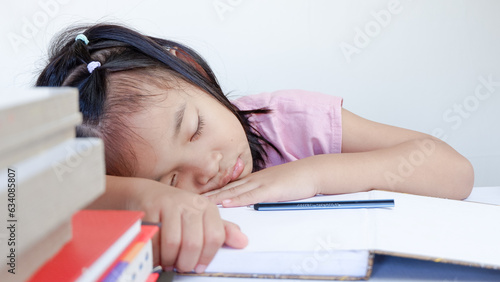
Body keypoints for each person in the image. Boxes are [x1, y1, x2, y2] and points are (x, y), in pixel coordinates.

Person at [36, 23, 474, 274]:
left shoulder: (290, 121)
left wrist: (311, 174)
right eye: (171, 178)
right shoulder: (137, 194)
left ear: (191, 71)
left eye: (193, 130)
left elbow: (454, 172)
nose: (205, 171)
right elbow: (35, 198)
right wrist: (144, 196)